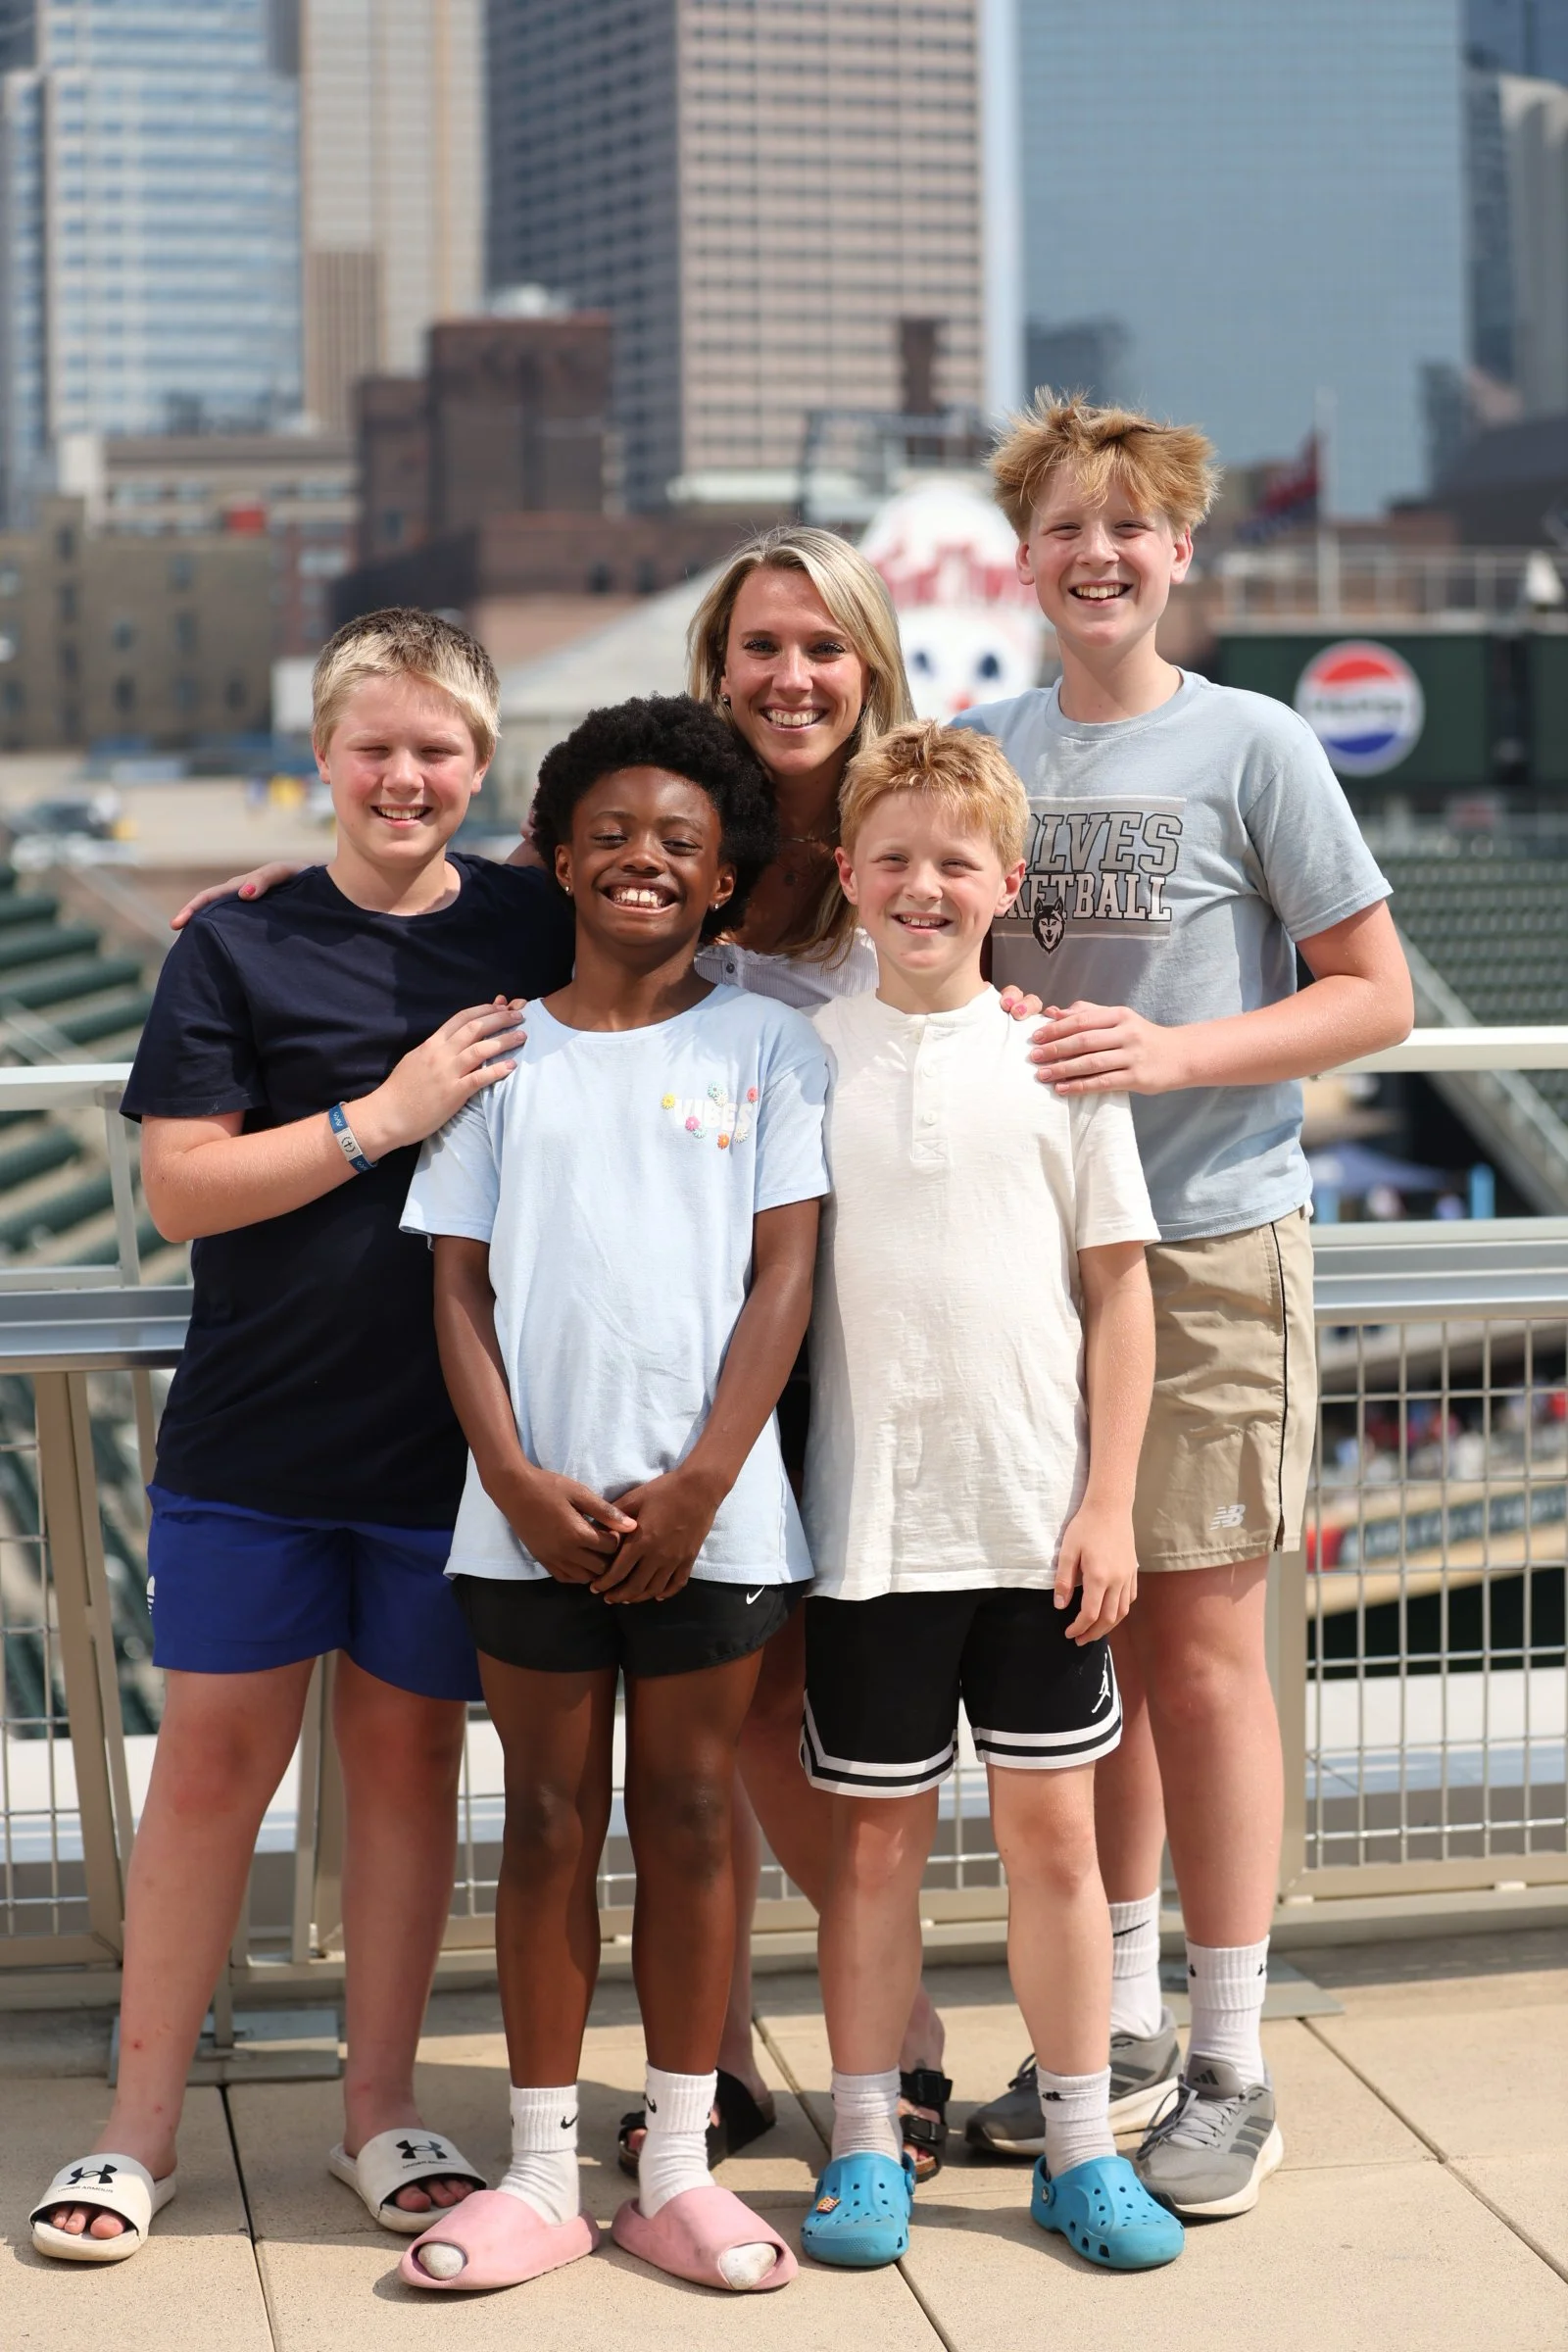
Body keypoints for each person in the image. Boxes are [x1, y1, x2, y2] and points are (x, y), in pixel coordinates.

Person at [171, 527, 1003, 2179]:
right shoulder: (617, 858)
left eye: (822, 647)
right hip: (624, 1371)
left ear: (869, 665)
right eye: (760, 646)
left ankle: (885, 2044)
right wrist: (272, 888)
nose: (791, 677)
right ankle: (717, 2070)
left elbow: (985, 989)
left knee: (787, 1731)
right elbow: (461, 889)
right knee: (708, 1743)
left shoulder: (907, 833)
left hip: (844, 1327)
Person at [28, 610, 577, 2264]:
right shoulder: (235, 945)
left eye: (437, 750)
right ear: (323, 756)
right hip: (256, 1440)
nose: (405, 776)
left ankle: (377, 2109)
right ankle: (138, 2129)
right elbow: (182, 1188)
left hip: (454, 1445)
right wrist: (385, 1117)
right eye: (374, 746)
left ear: (483, 765)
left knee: (410, 1772)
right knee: (209, 1773)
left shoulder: (538, 924)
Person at [956, 394, 1413, 2218]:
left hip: (1210, 1239)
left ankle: (1233, 2058)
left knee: (1208, 1663)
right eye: (1067, 528)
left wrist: (1175, 1052)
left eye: (1129, 528)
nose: (1099, 556)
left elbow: (1372, 992)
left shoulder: (1255, 742)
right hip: (1035, 1257)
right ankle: (1127, 2022)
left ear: (1180, 552)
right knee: (1098, 1653)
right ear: (1024, 557)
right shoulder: (992, 749)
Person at [394, 695, 828, 2296]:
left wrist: (707, 1480)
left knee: (695, 1816)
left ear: (724, 880)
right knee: (548, 1822)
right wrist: (512, 1476)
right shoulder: (501, 1053)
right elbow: (457, 1289)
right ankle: (536, 2174)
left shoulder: (770, 1045)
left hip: (719, 1516)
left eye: (682, 842)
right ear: (563, 858)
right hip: (528, 1519)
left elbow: (785, 1278)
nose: (645, 858)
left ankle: (675, 2169)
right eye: (614, 833)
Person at [797, 719, 1182, 2275]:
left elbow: (1121, 1295)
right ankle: (866, 2135)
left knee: (1057, 1849)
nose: (924, 886)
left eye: (956, 862)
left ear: (1007, 882)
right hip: (869, 1531)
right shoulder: (804, 1055)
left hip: (1037, 1526)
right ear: (847, 873)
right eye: (893, 858)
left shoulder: (1056, 1058)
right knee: (870, 1857)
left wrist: (1109, 1503)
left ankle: (1082, 2148)